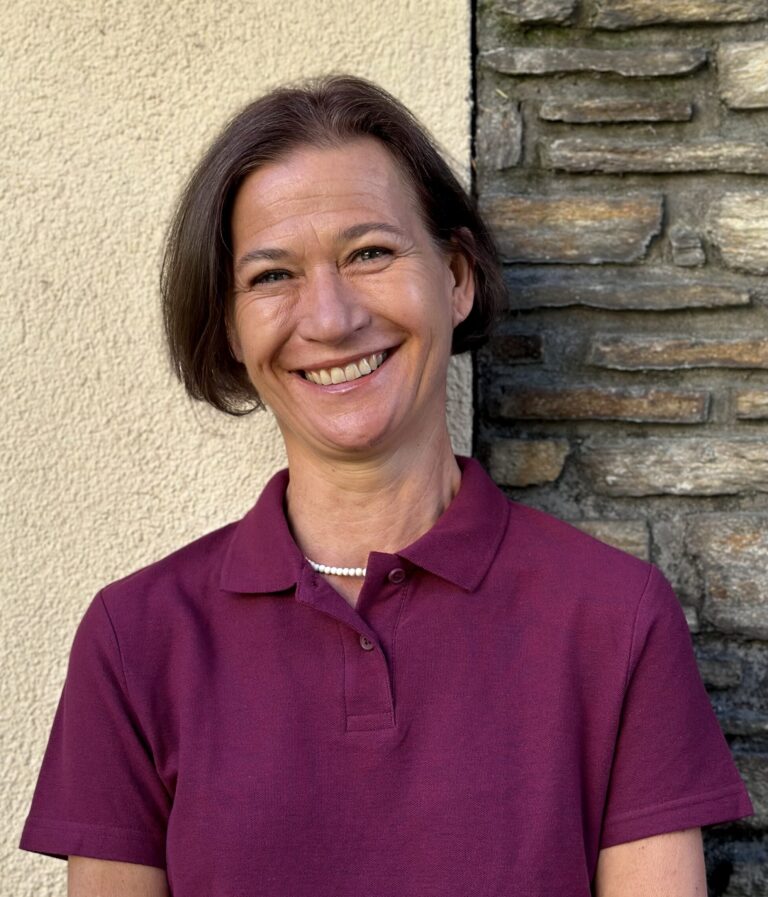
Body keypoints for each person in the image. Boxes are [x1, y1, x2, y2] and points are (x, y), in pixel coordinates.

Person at [20, 75, 751, 897]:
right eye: (272, 276)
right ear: (229, 327)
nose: (331, 319)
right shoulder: (137, 639)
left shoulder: (615, 618)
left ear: (456, 277)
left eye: (369, 253)